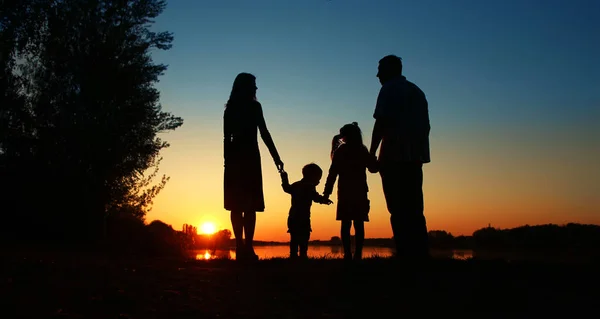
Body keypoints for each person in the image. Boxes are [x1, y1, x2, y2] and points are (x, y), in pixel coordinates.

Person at [368, 55, 431, 261]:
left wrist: (372, 153)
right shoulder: (417, 91)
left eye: (380, 70)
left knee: (397, 208)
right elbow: (426, 127)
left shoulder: (388, 89)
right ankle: (420, 254)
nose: (377, 75)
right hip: (414, 158)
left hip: (393, 156)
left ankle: (405, 254)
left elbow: (381, 123)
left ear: (389, 70)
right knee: (415, 208)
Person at [223, 72, 284, 261]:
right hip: (245, 158)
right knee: (243, 205)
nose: (256, 88)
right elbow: (229, 137)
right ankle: (243, 246)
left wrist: (276, 157)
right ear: (245, 86)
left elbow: (262, 133)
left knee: (243, 205)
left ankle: (244, 246)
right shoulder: (246, 107)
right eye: (253, 85)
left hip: (241, 158)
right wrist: (228, 159)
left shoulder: (239, 108)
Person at [323, 122, 378, 261]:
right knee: (359, 224)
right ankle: (357, 254)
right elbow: (373, 168)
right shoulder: (362, 149)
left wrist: (327, 192)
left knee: (346, 224)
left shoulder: (341, 151)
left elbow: (332, 173)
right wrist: (375, 159)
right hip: (360, 192)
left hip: (345, 192)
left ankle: (347, 254)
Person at [281, 163, 333, 259]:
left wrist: (284, 178)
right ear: (312, 177)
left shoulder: (296, 185)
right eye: (318, 179)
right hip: (303, 217)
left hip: (292, 217)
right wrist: (324, 200)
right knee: (304, 238)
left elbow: (286, 188)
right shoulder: (309, 187)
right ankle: (303, 255)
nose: (318, 182)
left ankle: (293, 255)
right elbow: (315, 197)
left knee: (294, 238)